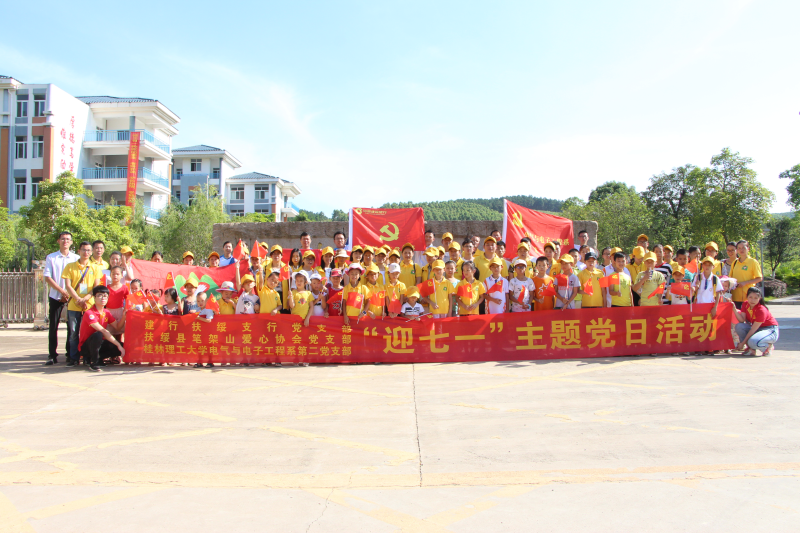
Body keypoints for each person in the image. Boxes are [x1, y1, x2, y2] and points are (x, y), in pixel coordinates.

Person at [61, 241, 103, 367]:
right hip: (74, 305)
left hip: (89, 306)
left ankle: (87, 356)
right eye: (84, 250)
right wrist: (78, 299)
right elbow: (68, 286)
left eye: (89, 250)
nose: (86, 252)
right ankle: (73, 357)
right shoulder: (70, 266)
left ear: (91, 252)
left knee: (88, 332)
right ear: (78, 251)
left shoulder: (95, 267)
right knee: (73, 333)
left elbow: (96, 287)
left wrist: (85, 299)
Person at [44, 231, 79, 365]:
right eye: (63, 239)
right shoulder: (51, 258)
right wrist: (62, 291)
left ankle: (70, 353)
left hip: (71, 298)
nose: (65, 241)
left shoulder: (76, 258)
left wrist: (69, 294)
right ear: (58, 241)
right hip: (56, 296)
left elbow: (78, 279)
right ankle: (52, 355)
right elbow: (48, 277)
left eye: (68, 239)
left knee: (72, 327)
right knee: (53, 327)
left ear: (71, 242)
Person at [77, 286, 126, 372]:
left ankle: (99, 358)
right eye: (100, 295)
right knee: (98, 334)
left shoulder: (106, 312)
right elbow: (103, 331)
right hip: (87, 346)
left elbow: (118, 327)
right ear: (94, 297)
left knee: (124, 346)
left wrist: (124, 316)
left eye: (105, 296)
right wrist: (118, 345)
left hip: (100, 343)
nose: (103, 298)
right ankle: (93, 362)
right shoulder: (89, 313)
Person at [732, 287, 778, 356]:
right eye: (750, 297)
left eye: (756, 298)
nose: (752, 300)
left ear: (760, 298)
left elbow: (753, 329)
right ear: (747, 297)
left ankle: (767, 346)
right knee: (739, 326)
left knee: (753, 342)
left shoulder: (761, 310)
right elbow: (742, 320)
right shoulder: (745, 304)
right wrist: (734, 308)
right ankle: (751, 349)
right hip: (757, 329)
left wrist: (742, 343)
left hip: (769, 329)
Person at [730, 240, 763, 309]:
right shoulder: (734, 262)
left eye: (743, 248)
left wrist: (745, 283)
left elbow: (759, 278)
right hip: (735, 297)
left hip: (748, 298)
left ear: (748, 248)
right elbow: (730, 278)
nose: (741, 250)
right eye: (739, 248)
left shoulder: (753, 262)